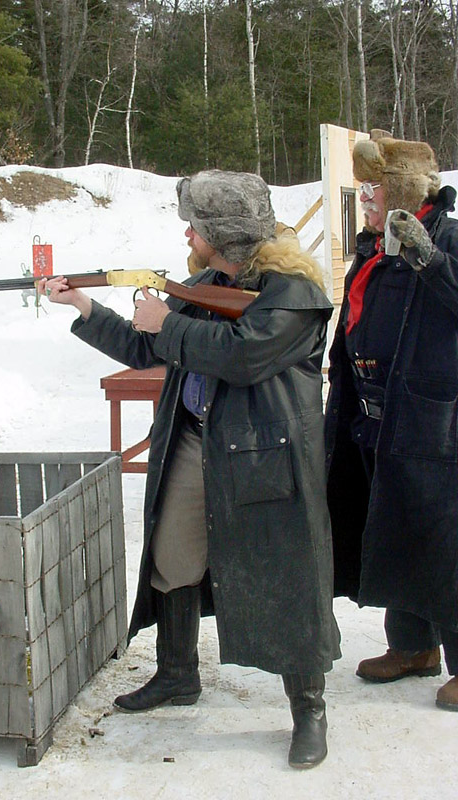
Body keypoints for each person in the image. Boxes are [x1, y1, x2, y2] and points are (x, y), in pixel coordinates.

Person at [42, 170, 341, 768]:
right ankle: (178, 674)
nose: (186, 233)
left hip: (265, 458)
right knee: (172, 558)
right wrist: (83, 304)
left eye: (196, 227)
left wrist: (167, 322)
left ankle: (308, 707)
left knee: (288, 578)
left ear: (222, 235)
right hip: (193, 442)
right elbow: (147, 347)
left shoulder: (294, 292)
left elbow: (245, 354)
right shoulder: (207, 283)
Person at [325, 130, 458, 711]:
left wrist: (427, 257)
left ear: (402, 188)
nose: (367, 200)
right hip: (377, 413)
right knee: (394, 527)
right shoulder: (375, 243)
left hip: (432, 422)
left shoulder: (445, 236)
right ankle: (413, 648)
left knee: (443, 541)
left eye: (374, 189)